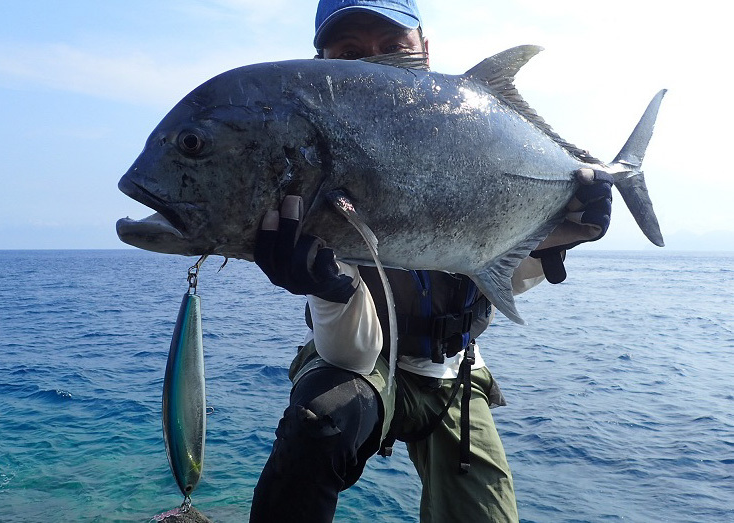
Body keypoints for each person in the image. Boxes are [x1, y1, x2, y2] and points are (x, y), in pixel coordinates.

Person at [249, 1, 613, 522]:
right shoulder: (319, 153)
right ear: (322, 60)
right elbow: (351, 357)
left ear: (425, 49)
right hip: (358, 362)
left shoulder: (474, 134)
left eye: (394, 47)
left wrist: (563, 235)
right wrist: (327, 287)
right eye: (350, 52)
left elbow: (492, 268)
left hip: (454, 371)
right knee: (318, 425)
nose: (374, 62)